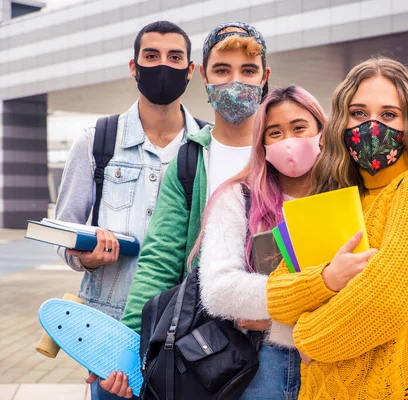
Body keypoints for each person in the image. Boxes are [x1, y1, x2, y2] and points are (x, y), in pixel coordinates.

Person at [266, 57, 408, 399]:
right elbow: (276, 296)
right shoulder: (336, 198)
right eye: (359, 113)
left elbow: (385, 303)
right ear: (341, 122)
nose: (371, 126)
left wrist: (306, 336)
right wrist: (327, 278)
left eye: (388, 114)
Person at [99, 22, 270, 397]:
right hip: (206, 345)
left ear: (265, 77)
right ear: (204, 78)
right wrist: (126, 347)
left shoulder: (283, 151)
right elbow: (159, 260)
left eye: (248, 70)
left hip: (277, 342)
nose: (235, 82)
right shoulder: (190, 159)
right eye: (222, 70)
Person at [55, 20, 198, 400]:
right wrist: (85, 258)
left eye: (174, 57)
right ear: (133, 67)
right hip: (110, 332)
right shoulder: (97, 142)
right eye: (151, 56)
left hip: (188, 334)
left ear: (191, 70)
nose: (163, 66)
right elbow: (63, 235)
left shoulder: (206, 146)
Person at [193, 85, 326, 399]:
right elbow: (218, 290)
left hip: (338, 360)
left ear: (321, 131)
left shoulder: (349, 195)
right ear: (262, 143)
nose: (289, 141)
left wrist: (267, 314)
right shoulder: (236, 197)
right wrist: (320, 287)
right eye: (275, 133)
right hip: (265, 365)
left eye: (299, 128)